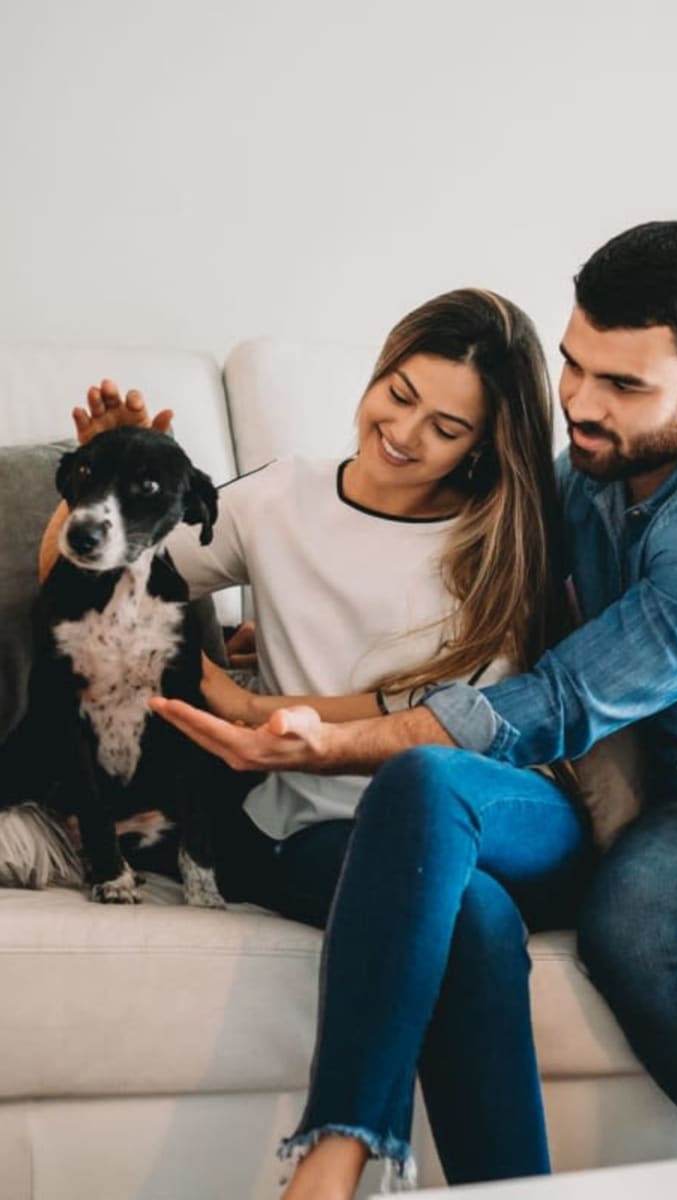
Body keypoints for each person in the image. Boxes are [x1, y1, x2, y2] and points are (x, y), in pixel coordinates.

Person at [154, 221, 677, 1161]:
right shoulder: (584, 478)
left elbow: (557, 701)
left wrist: (318, 737)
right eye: (577, 365)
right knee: (635, 935)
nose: (582, 403)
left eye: (624, 385)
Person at [44, 290, 592, 1195]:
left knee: (424, 776)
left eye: (447, 426)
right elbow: (84, 592)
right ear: (379, 369)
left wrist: (265, 712)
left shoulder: (500, 531)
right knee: (476, 920)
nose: (406, 432)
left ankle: (327, 1171)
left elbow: (459, 713)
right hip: (322, 829)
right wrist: (95, 485)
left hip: (495, 807)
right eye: (399, 392)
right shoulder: (278, 498)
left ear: (485, 443)